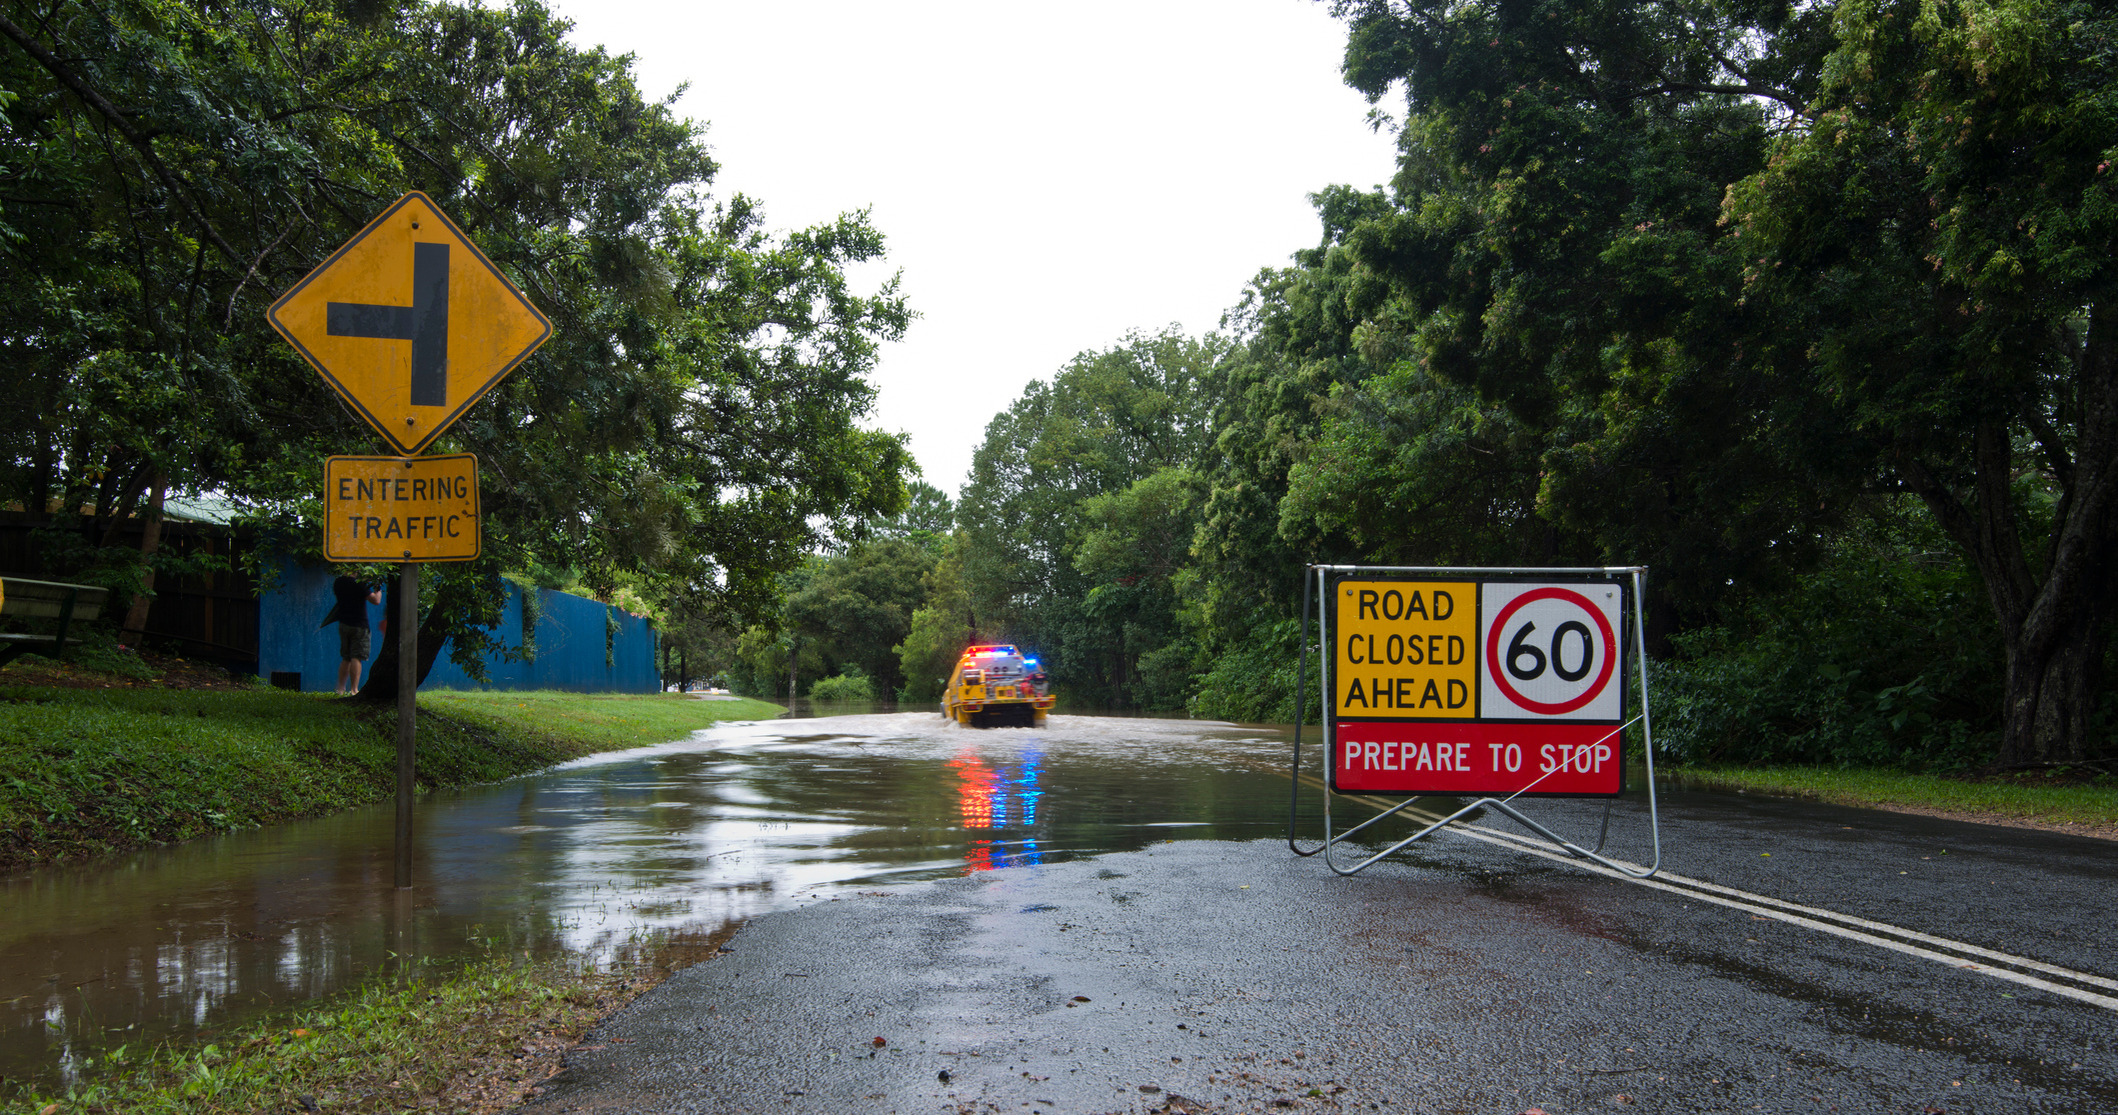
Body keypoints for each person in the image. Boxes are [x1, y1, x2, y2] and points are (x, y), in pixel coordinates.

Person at [328, 575, 383, 694]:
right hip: (359, 624)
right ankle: (354, 689)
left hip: (343, 623)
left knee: (346, 657)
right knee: (356, 657)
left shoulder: (339, 581)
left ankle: (340, 689)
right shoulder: (359, 583)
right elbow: (376, 600)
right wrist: (378, 587)